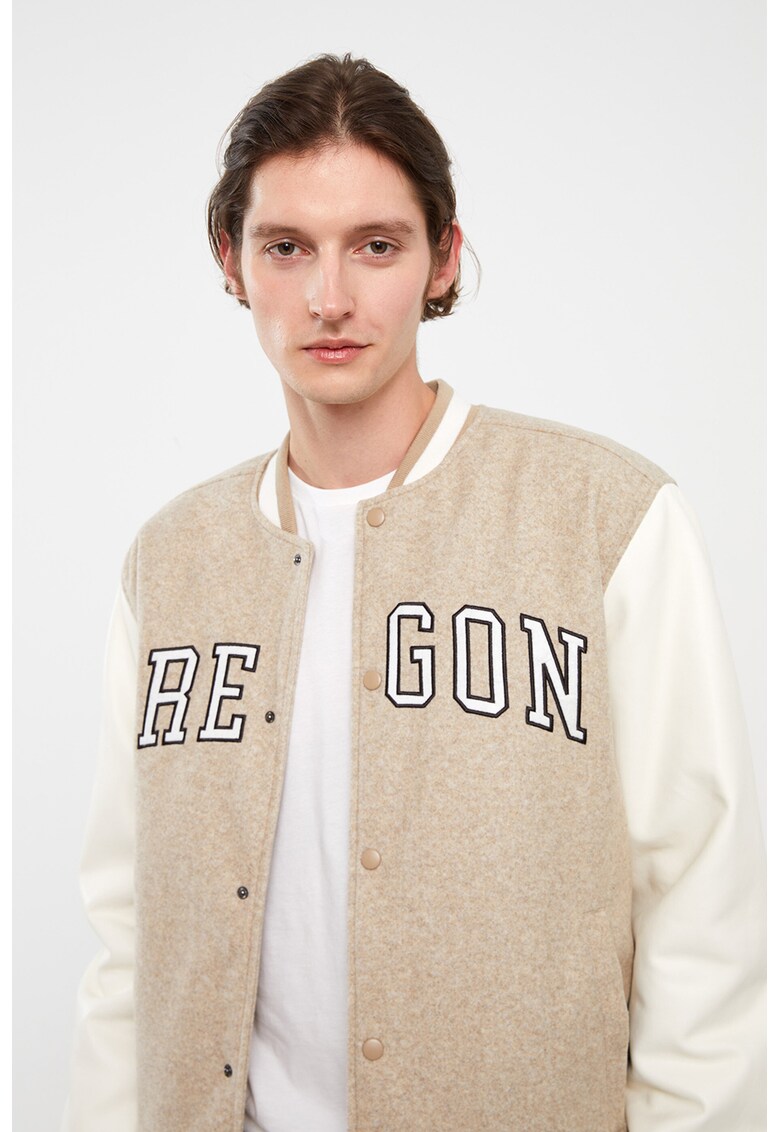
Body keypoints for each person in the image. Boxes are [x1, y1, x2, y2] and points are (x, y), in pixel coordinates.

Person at [62, 53, 765, 1132]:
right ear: (231, 260)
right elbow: (126, 935)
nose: (330, 298)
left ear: (444, 259)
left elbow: (701, 912)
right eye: (286, 247)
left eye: (376, 246)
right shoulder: (172, 561)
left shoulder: (607, 519)